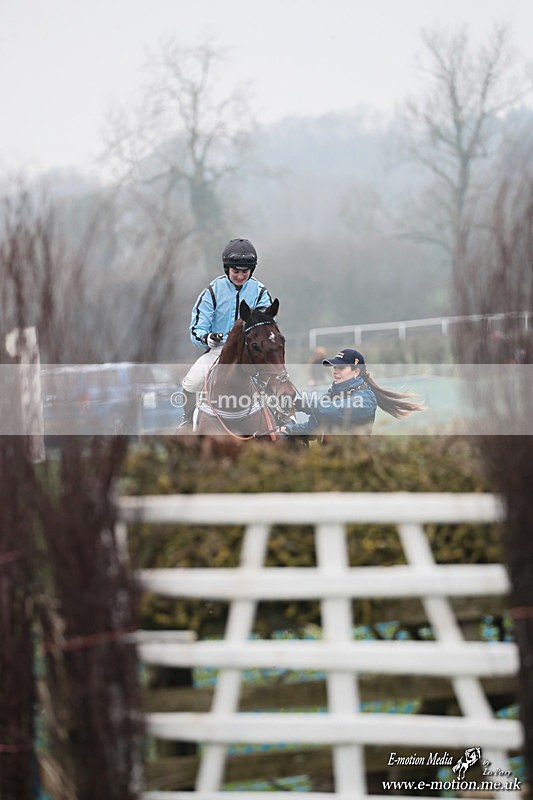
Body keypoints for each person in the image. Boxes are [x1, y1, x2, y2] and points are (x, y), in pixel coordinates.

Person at [178, 237, 273, 429]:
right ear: (227, 268)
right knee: (190, 383)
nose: (240, 276)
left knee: (274, 377)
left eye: (245, 272)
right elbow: (197, 329)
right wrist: (207, 338)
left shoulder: (260, 291)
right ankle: (187, 422)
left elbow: (265, 324)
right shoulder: (212, 291)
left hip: (250, 350)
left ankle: (284, 417)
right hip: (219, 350)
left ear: (251, 271)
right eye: (235, 271)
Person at [281, 347, 423, 436]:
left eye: (341, 368)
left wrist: (303, 404)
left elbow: (337, 410)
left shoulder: (366, 397)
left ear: (356, 372)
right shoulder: (331, 395)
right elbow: (312, 427)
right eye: (334, 368)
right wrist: (287, 429)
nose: (335, 372)